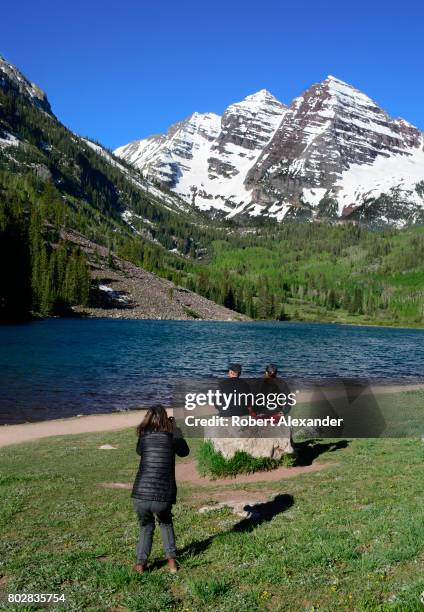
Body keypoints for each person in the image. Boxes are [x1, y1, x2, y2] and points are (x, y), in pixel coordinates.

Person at [132, 405, 189, 574]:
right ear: (165, 419)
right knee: (165, 523)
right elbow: (184, 452)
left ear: (148, 419)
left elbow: (139, 452)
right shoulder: (172, 436)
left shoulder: (143, 436)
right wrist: (176, 430)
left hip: (141, 493)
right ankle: (172, 563)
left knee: (145, 527)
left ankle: (140, 565)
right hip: (163, 494)